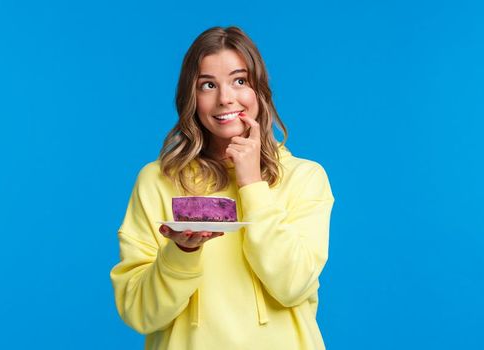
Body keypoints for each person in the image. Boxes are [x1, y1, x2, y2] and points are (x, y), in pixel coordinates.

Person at [110, 26, 335, 350]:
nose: (225, 98)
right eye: (208, 85)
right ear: (192, 96)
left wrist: (251, 183)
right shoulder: (157, 180)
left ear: (260, 89)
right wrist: (181, 253)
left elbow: (293, 285)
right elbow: (139, 313)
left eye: (239, 80)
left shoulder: (304, 177)